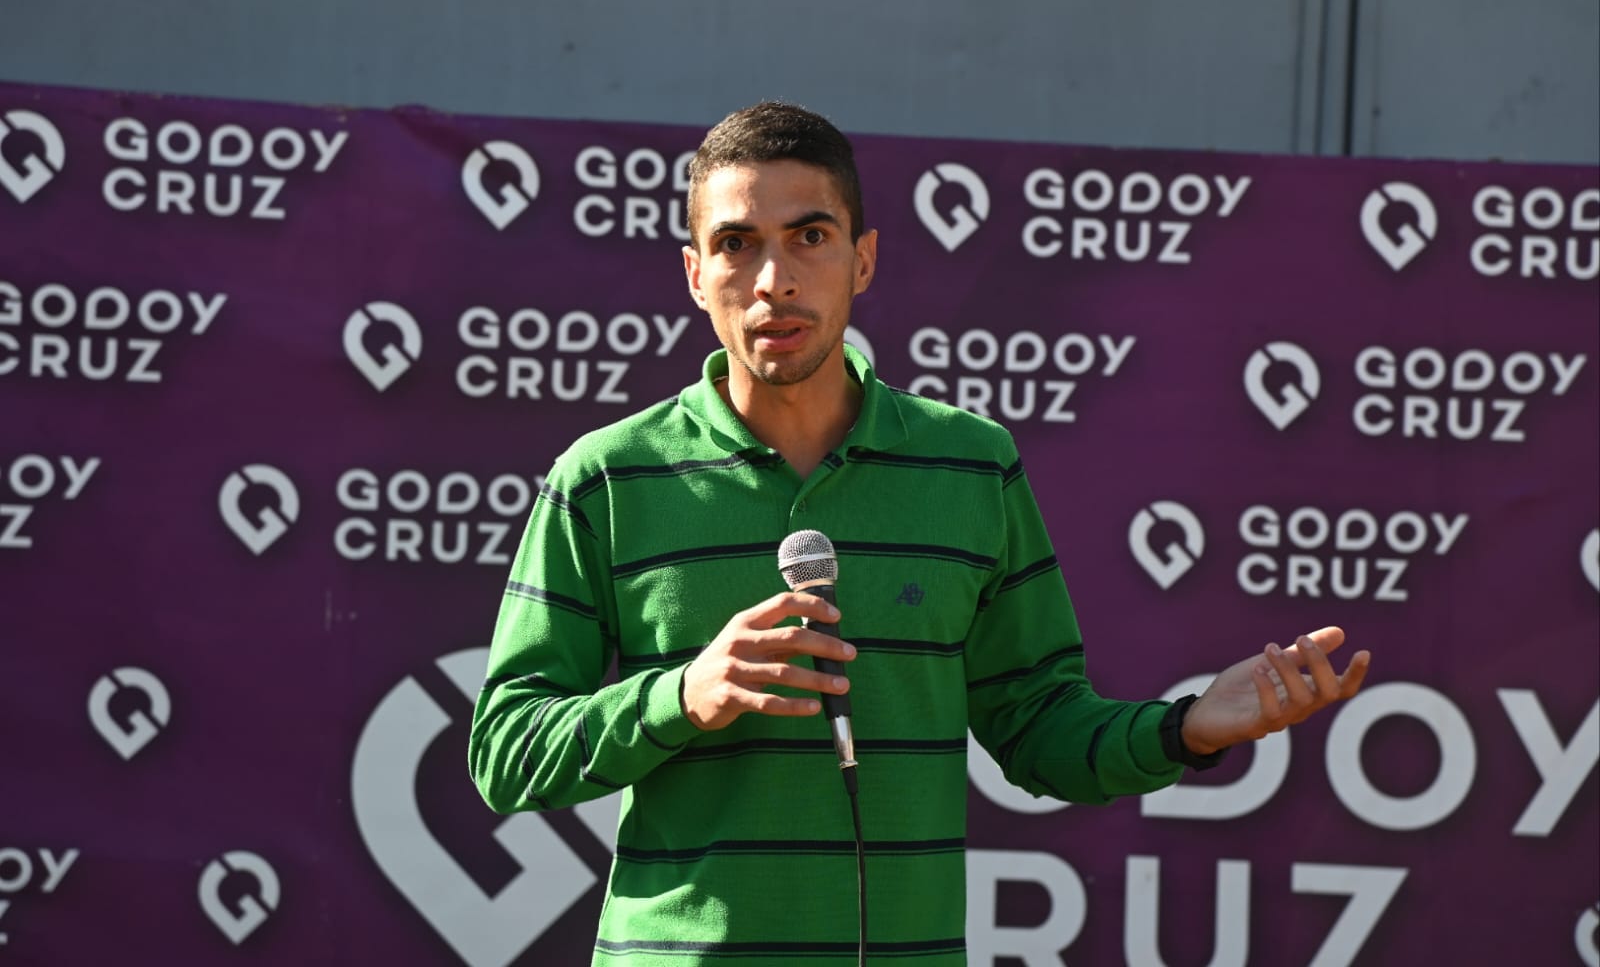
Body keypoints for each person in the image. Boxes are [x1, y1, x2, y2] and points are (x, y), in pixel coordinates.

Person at [468, 101, 1371, 965]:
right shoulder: (606, 476)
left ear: (862, 260)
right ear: (695, 273)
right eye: (737, 244)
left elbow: (1039, 729)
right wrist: (682, 696)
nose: (774, 280)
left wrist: (1187, 727)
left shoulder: (970, 465)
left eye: (809, 237)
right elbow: (505, 753)